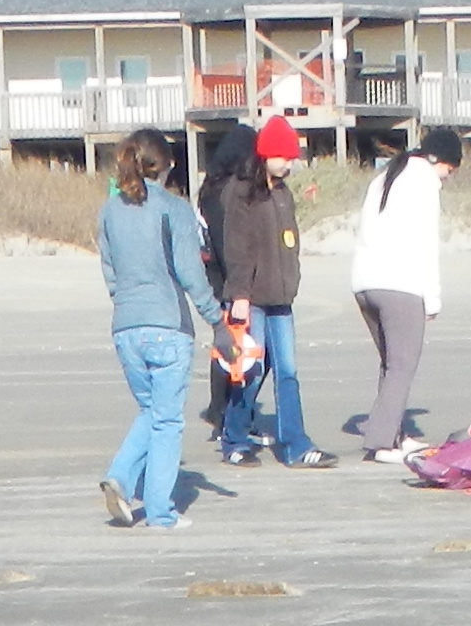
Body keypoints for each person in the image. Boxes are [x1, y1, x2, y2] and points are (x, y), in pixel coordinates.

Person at [93, 127, 214, 530]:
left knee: (151, 411)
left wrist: (125, 298)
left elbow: (109, 270)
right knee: (166, 420)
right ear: (165, 166)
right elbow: (190, 273)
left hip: (125, 327)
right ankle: (160, 511)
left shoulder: (109, 210)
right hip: (167, 325)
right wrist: (217, 318)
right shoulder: (173, 208)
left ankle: (121, 478)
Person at [204, 118, 333, 469]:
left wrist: (293, 279)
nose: (289, 163)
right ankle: (234, 438)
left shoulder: (283, 193)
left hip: (281, 299)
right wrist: (240, 296)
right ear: (266, 154)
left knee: (288, 372)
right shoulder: (241, 190)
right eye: (283, 156)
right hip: (251, 299)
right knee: (250, 370)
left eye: (293, 157)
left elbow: (289, 243)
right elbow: (238, 246)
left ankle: (296, 444)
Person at [343, 124, 458, 467]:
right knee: (403, 364)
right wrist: (432, 299)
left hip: (365, 281)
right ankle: (381, 443)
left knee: (391, 363)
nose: (448, 177)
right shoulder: (424, 182)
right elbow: (425, 243)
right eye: (450, 170)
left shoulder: (385, 177)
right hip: (399, 283)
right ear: (439, 160)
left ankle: (393, 432)